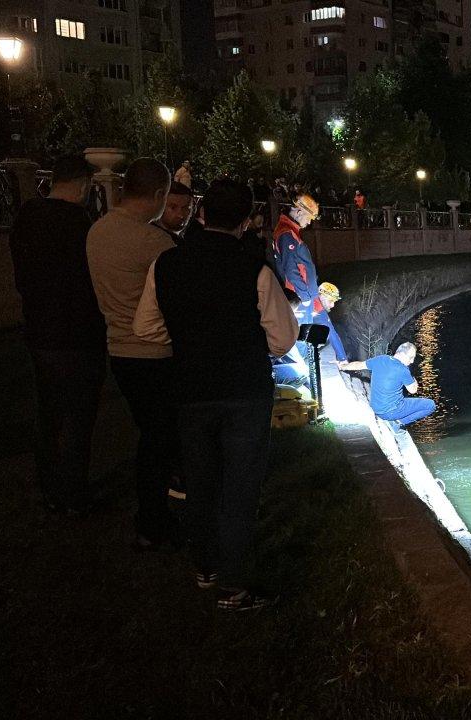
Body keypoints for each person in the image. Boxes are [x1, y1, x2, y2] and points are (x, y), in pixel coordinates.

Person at [134, 178, 298, 611]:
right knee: (239, 489)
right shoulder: (256, 271)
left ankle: (205, 566)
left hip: (189, 391)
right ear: (246, 222)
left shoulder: (166, 265)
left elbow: (145, 328)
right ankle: (233, 585)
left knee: (199, 482)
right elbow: (282, 339)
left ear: (200, 215)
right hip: (244, 392)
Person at [86, 157, 179, 550]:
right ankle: (153, 522)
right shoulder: (154, 242)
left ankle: (159, 511)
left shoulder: (97, 231)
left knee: (152, 434)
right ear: (159, 194)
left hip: (119, 352)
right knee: (161, 440)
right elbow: (178, 301)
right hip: (156, 354)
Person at [8, 155, 107, 514]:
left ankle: (47, 485)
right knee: (79, 416)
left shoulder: (26, 217)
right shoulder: (79, 223)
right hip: (78, 333)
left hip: (39, 330)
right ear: (82, 184)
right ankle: (72, 492)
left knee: (48, 412)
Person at [272, 193, 320, 322]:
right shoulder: (287, 234)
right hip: (299, 297)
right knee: (301, 336)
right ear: (299, 212)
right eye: (309, 218)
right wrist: (305, 297)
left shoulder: (289, 231)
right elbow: (290, 269)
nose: (309, 222)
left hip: (301, 295)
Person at [363, 342, 436, 428]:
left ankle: (396, 420)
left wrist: (344, 366)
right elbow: (413, 390)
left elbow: (358, 365)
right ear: (401, 354)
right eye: (411, 357)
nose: (412, 361)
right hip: (390, 413)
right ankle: (399, 423)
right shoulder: (403, 370)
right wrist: (413, 379)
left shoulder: (381, 359)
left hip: (377, 408)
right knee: (430, 405)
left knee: (400, 398)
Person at [313, 282, 348, 363]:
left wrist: (342, 358)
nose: (332, 305)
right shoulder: (306, 304)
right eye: (330, 300)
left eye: (334, 301)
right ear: (321, 296)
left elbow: (332, 333)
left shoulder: (320, 309)